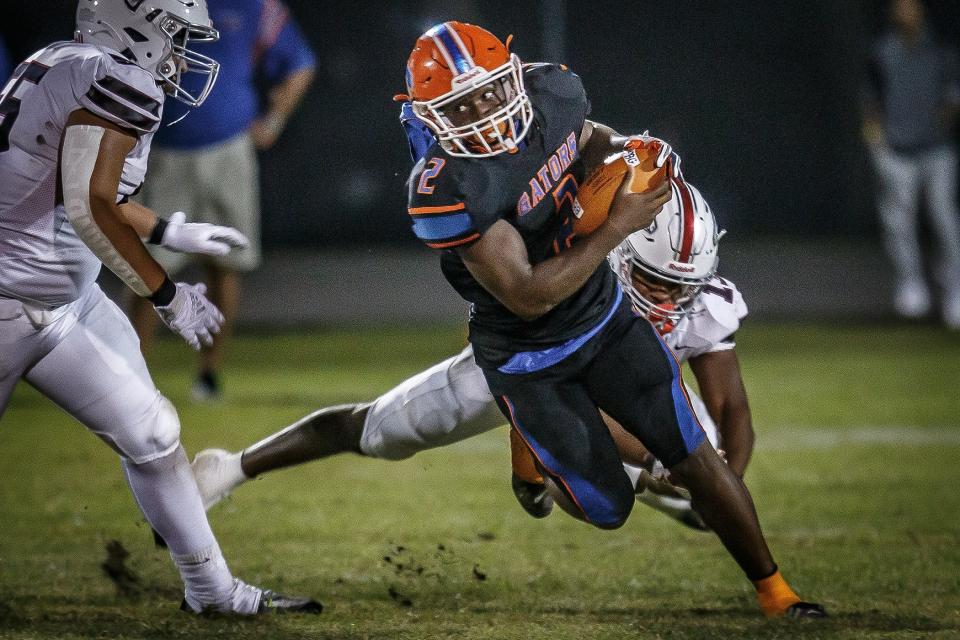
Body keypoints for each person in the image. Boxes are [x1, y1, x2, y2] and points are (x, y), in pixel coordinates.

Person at [189, 21, 824, 618]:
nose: (669, 298)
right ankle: (233, 466)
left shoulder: (558, 101)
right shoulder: (453, 186)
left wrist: (627, 150)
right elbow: (528, 294)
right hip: (525, 350)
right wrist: (617, 230)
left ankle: (769, 586)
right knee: (382, 430)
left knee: (699, 463)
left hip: (595, 322)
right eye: (655, 280)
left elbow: (729, 411)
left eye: (678, 285)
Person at [0, 0, 319, 615]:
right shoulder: (120, 78)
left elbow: (84, 194)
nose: (179, 52)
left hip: (62, 299)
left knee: (154, 433)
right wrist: (167, 292)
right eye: (172, 32)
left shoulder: (59, 60)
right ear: (131, 22)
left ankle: (213, 590)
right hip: (11, 300)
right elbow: (90, 206)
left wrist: (172, 232)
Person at [129, 0, 316, 401]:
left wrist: (274, 120)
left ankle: (209, 377)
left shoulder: (253, 5)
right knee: (144, 268)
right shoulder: (148, 3)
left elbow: (300, 63)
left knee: (226, 264)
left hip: (227, 150)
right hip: (162, 152)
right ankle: (134, 379)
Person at [863, 0, 960, 328]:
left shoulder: (940, 53)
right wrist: (877, 145)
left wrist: (934, 127)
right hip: (897, 151)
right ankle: (911, 284)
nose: (904, 13)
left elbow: (951, 100)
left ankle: (954, 291)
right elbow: (871, 104)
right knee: (898, 224)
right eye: (898, 7)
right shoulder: (882, 53)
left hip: (936, 150)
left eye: (910, 7)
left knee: (945, 220)